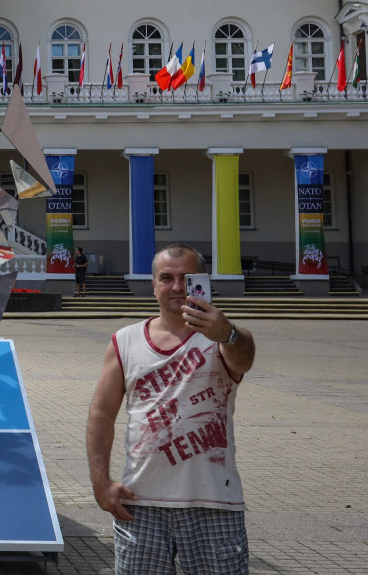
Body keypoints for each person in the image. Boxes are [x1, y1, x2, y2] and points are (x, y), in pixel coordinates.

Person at [86, 243, 256, 575]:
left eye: (186, 277)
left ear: (203, 281)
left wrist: (229, 333)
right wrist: (100, 482)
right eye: (167, 278)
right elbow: (101, 414)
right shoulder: (126, 340)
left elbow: (245, 357)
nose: (177, 287)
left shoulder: (223, 339)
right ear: (153, 284)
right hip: (141, 500)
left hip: (213, 503)